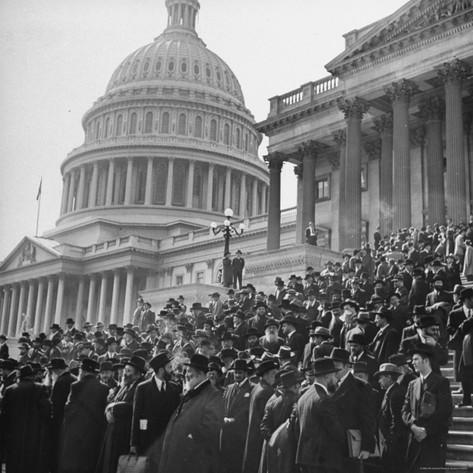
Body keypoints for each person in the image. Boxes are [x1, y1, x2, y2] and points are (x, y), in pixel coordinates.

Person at [158, 354, 224, 473]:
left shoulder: (213, 395)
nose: (186, 375)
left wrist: (186, 439)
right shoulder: (192, 392)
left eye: (189, 371)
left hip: (192, 461)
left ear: (200, 373)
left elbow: (210, 431)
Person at [402, 344, 453, 473]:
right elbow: (405, 410)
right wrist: (413, 426)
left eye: (416, 359)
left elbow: (444, 411)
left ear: (425, 361)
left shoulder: (441, 383)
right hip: (414, 440)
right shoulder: (412, 384)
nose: (412, 362)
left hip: (433, 441)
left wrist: (426, 431)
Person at [292, 357, 345, 473]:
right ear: (326, 376)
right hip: (323, 463)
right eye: (334, 375)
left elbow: (296, 428)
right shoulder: (324, 400)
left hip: (305, 458)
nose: (336, 379)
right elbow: (336, 432)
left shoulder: (304, 396)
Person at [96, 356, 146, 473]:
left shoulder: (140, 387)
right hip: (114, 431)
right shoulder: (125, 385)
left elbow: (132, 407)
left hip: (124, 434)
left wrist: (113, 407)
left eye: (129, 371)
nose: (125, 374)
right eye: (125, 371)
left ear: (137, 374)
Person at [58, 358, 109, 473]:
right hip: (95, 432)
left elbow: (68, 408)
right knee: (91, 462)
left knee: (76, 463)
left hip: (76, 432)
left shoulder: (76, 386)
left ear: (84, 371)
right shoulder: (104, 388)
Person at [330, 348, 377, 472]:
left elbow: (367, 419)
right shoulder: (329, 385)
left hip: (350, 447)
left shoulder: (360, 387)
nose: (333, 371)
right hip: (332, 447)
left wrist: (366, 447)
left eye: (337, 367)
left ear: (346, 366)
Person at [130, 352, 180, 467]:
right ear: (161, 370)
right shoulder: (143, 388)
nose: (172, 370)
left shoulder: (174, 388)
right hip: (147, 440)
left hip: (166, 441)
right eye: (169, 367)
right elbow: (136, 416)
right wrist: (134, 443)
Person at [0, 364, 51, 473]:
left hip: (14, 433)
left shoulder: (10, 390)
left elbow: (4, 414)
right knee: (32, 463)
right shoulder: (41, 388)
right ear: (32, 376)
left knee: (14, 462)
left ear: (19, 376)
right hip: (34, 433)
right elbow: (46, 411)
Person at [242, 359, 279, 473]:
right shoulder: (267, 392)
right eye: (273, 374)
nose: (276, 377)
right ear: (265, 374)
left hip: (252, 435)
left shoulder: (257, 387)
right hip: (259, 438)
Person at [260, 370, 300, 473]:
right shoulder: (298, 402)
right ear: (295, 386)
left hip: (276, 452)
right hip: (294, 452)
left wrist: (275, 441)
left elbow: (264, 427)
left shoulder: (273, 403)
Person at [221, 359, 253, 473]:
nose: (237, 375)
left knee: (237, 464)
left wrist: (234, 420)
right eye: (235, 372)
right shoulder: (229, 388)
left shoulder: (251, 388)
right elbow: (223, 405)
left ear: (246, 373)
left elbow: (248, 410)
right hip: (226, 433)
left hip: (241, 434)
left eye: (240, 372)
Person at [374, 363, 407, 473]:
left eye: (381, 378)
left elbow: (396, 421)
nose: (379, 381)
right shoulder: (390, 392)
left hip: (393, 446)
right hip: (388, 443)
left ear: (389, 377)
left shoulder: (396, 394)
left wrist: (390, 442)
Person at [48, 357, 77, 473]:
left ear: (57, 370)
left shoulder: (60, 382)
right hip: (71, 422)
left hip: (59, 421)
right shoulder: (74, 379)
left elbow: (55, 404)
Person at [447, 287, 473, 406]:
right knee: (463, 372)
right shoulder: (455, 313)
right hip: (461, 347)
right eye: (471, 299)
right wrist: (459, 332)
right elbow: (449, 328)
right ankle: (466, 397)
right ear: (466, 300)